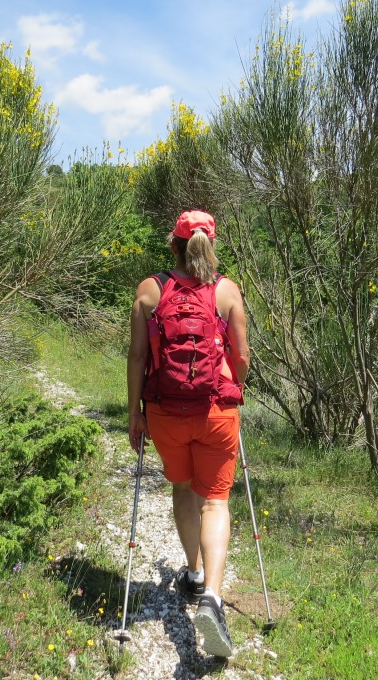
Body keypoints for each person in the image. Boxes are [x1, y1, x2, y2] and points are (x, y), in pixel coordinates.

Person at [127, 209, 250, 658]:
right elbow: (241, 354)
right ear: (210, 244)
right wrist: (236, 389)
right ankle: (212, 599)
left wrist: (133, 414)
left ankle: (194, 574)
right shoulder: (226, 291)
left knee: (183, 488)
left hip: (164, 411)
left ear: (173, 244)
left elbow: (138, 358)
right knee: (215, 499)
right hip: (217, 411)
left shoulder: (149, 290)